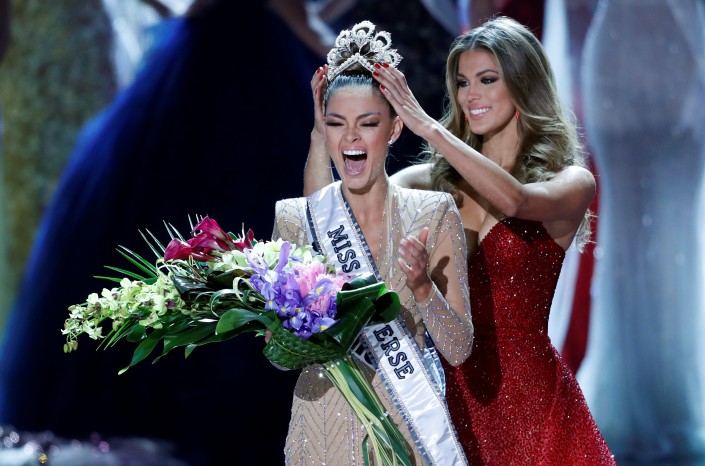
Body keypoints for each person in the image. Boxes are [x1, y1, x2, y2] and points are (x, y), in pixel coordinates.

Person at [304, 16, 616, 465]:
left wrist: (429, 127)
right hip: (442, 405)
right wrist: (322, 135)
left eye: (487, 80)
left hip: (533, 410)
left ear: (524, 83)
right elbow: (328, 217)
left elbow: (516, 200)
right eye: (463, 82)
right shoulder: (430, 183)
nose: (471, 95)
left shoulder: (570, 182)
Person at [273, 20, 474, 465]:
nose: (351, 137)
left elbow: (459, 348)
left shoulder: (434, 212)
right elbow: (279, 357)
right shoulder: (294, 219)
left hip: (410, 427)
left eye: (367, 123)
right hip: (319, 430)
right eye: (336, 124)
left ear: (394, 129)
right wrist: (299, 326)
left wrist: (423, 288)